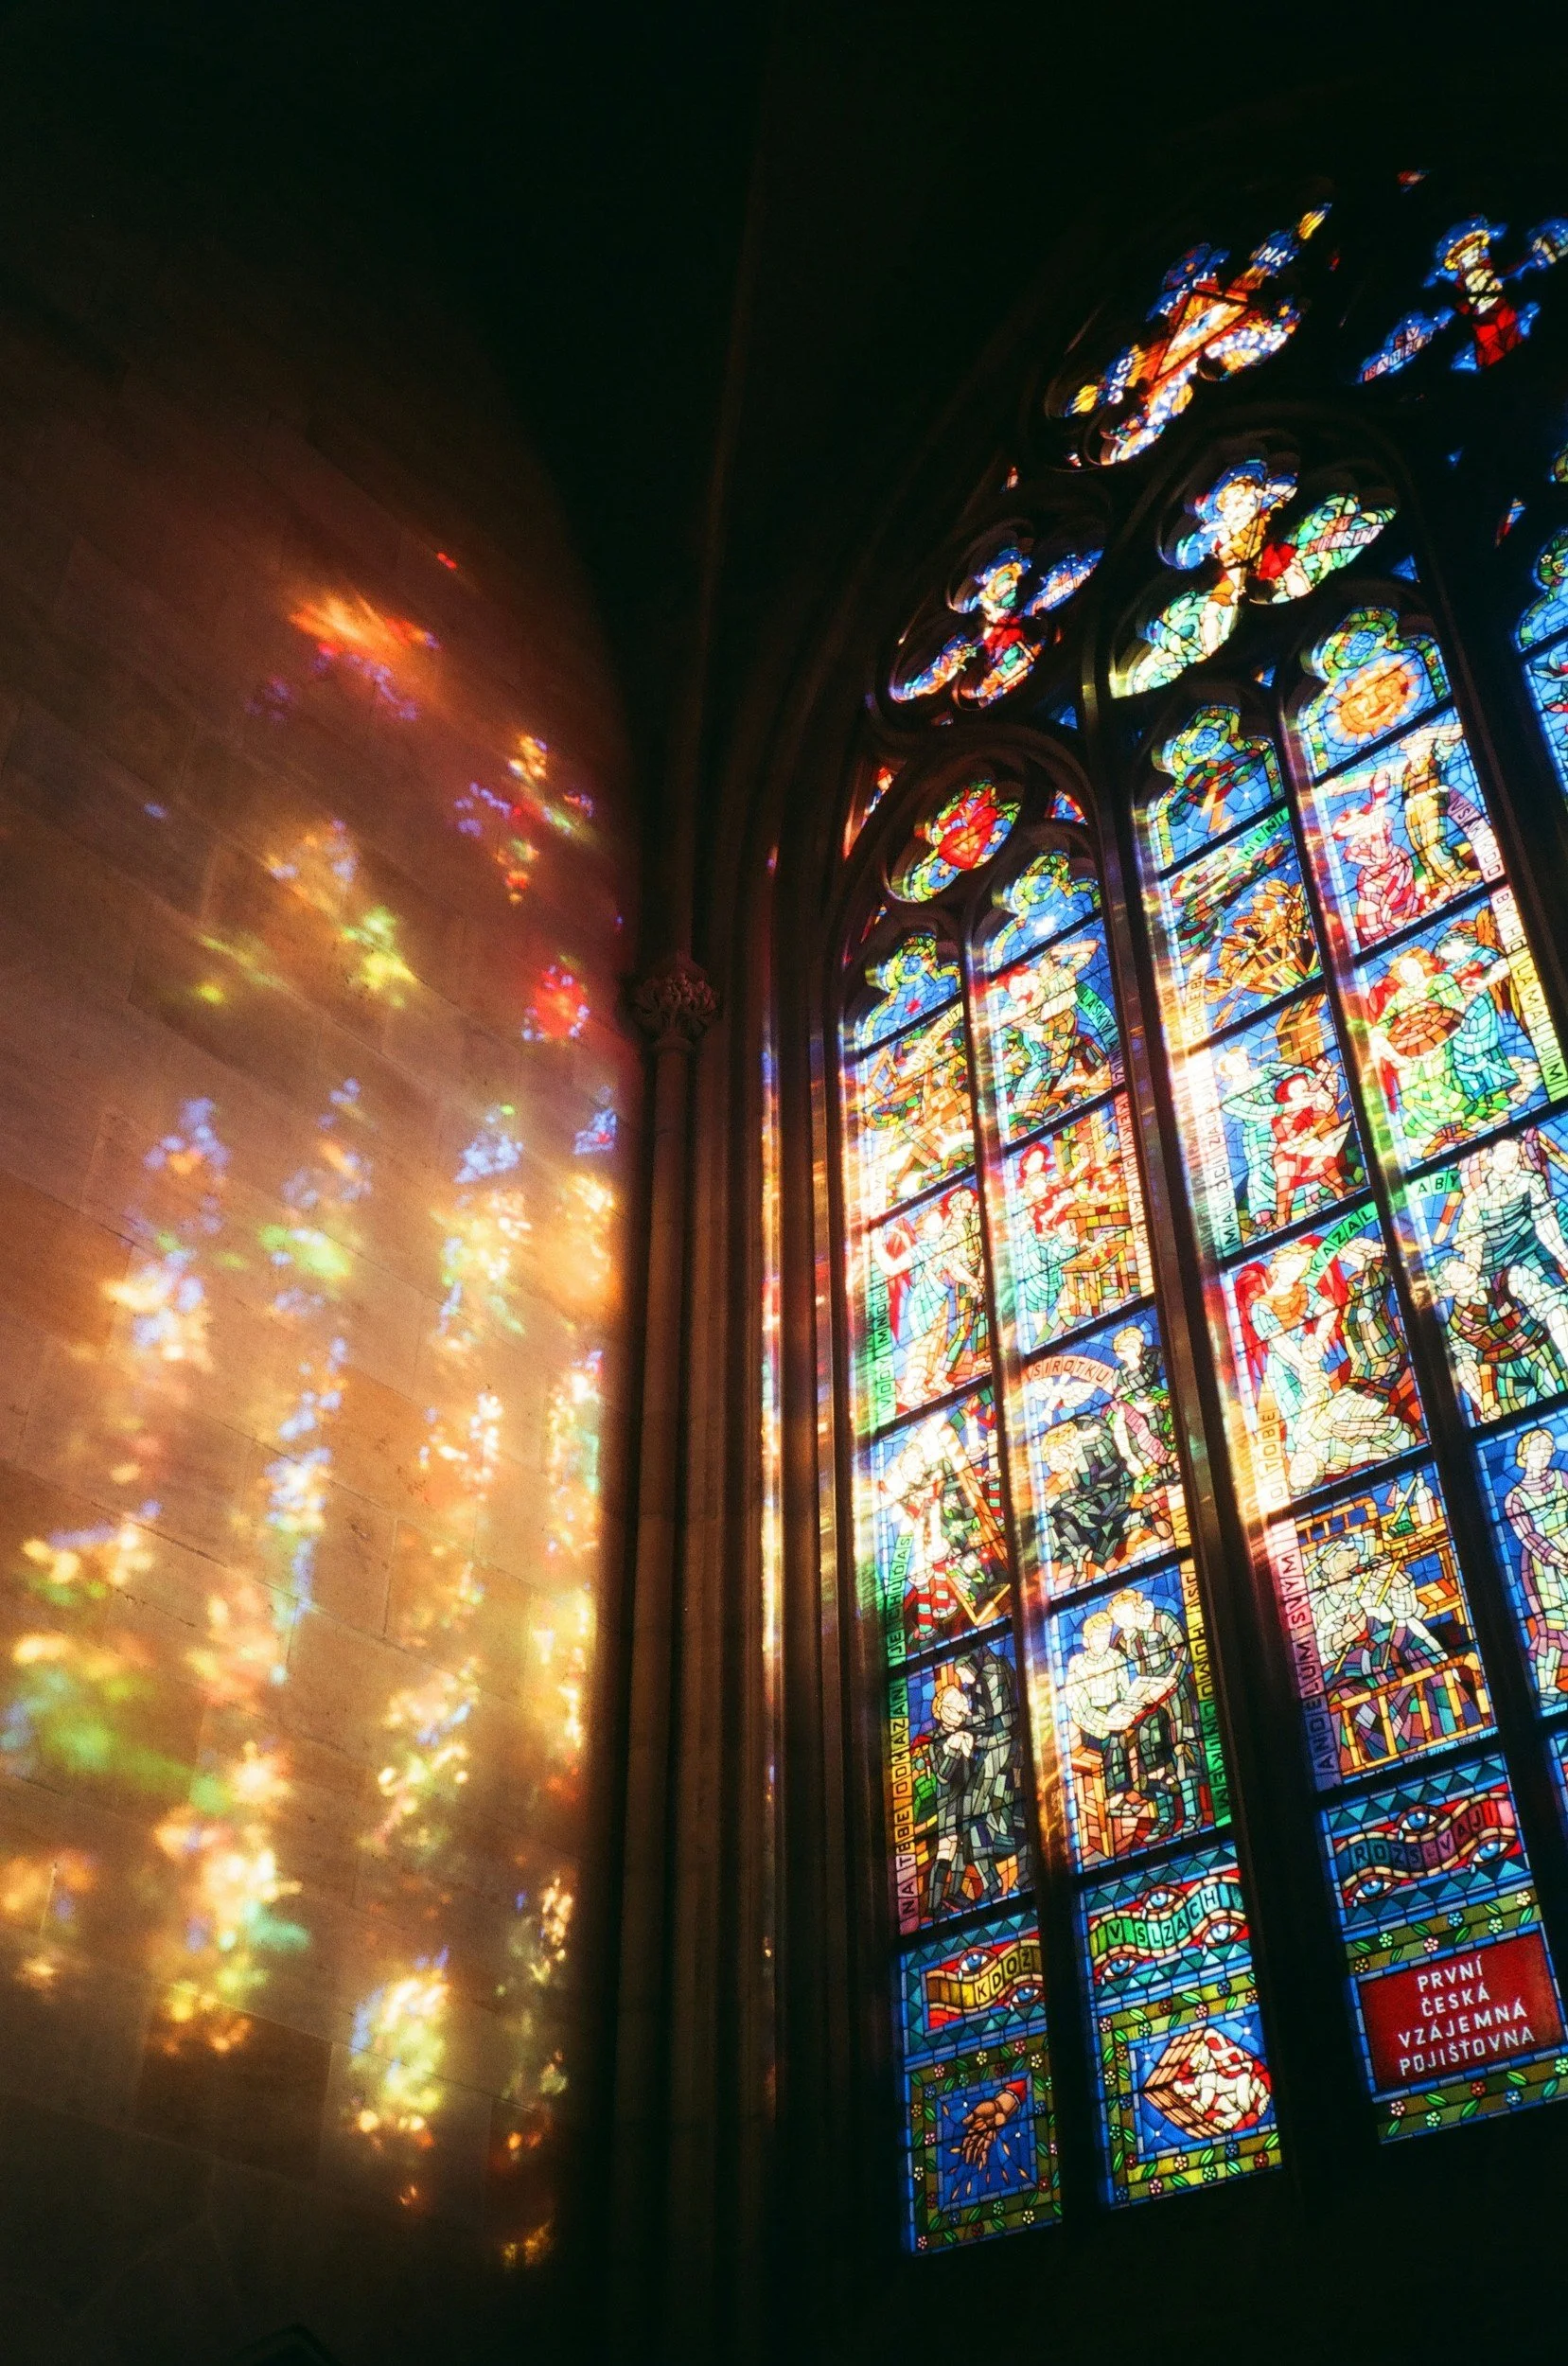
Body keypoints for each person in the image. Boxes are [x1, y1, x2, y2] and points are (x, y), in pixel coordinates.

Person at [1503, 1426, 1568, 1697]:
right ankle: (1546, 1687)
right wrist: (1557, 1558)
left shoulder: (1562, 1478)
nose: (1544, 1454)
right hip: (1545, 1568)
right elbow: (1528, 1536)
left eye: (1548, 1449)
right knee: (1553, 1625)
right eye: (1538, 1449)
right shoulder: (1515, 1498)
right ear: (1524, 1454)